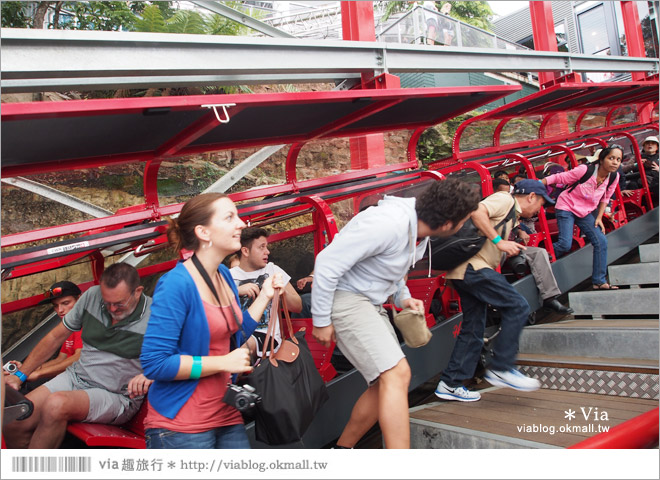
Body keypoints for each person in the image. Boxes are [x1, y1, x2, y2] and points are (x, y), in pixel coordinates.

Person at [312, 179, 481, 449]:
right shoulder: (387, 223)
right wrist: (321, 320)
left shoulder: (418, 231)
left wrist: (404, 297)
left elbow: (392, 266)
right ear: (449, 224)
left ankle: (341, 450)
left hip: (370, 302)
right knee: (397, 374)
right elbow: (327, 263)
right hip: (347, 298)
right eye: (463, 221)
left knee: (383, 383)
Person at [140, 193, 284, 449]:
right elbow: (155, 363)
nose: (241, 223)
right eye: (230, 217)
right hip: (182, 425)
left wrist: (265, 296)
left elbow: (234, 336)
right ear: (203, 232)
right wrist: (223, 362)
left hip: (225, 413)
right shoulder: (176, 284)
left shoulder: (224, 275)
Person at [3, 263, 152, 449]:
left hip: (114, 395)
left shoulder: (156, 316)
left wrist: (151, 374)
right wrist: (20, 375)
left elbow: (185, 355)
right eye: (107, 302)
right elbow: (55, 337)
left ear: (137, 292)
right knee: (16, 417)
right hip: (76, 377)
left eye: (119, 303)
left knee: (56, 405)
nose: (112, 309)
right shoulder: (91, 296)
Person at [435, 180, 560, 402]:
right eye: (541, 202)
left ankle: (450, 383)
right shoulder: (506, 199)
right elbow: (476, 210)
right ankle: (502, 367)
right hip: (474, 267)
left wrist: (503, 248)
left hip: (465, 270)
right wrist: (500, 242)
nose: (540, 209)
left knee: (473, 329)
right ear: (531, 196)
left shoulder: (513, 214)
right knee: (518, 305)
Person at [542, 145, 622, 290]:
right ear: (602, 159)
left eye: (618, 159)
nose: (615, 162)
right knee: (565, 244)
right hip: (567, 206)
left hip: (585, 211)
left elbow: (606, 197)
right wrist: (540, 183)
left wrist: (598, 217)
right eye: (611, 158)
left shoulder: (614, 176)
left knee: (601, 241)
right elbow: (560, 177)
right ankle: (542, 256)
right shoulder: (586, 169)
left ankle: (599, 281)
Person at [231, 227, 303, 358]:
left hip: (266, 335)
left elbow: (297, 307)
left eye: (267, 247)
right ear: (245, 251)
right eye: (261, 247)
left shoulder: (272, 270)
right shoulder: (228, 276)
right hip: (236, 332)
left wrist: (282, 292)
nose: (267, 252)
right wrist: (235, 291)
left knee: (243, 347)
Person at [3, 281, 82, 390]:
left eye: (66, 303)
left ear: (80, 299)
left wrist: (38, 373)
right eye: (55, 306)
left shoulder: (87, 323)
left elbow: (79, 359)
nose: (60, 310)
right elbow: (60, 359)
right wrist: (30, 369)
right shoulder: (68, 327)